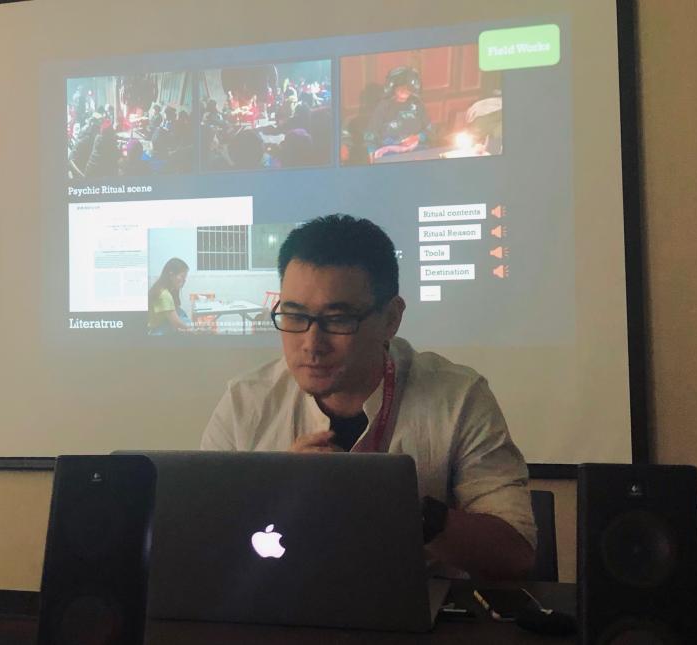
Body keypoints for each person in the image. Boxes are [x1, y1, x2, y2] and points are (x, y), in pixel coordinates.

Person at [201, 215, 535, 581]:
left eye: (338, 319)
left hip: (416, 605)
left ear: (391, 319)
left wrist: (386, 501)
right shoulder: (246, 402)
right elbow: (201, 544)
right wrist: (276, 491)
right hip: (280, 600)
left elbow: (516, 553)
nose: (312, 344)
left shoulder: (457, 398)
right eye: (295, 316)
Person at [148, 258, 192, 334]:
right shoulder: (164, 294)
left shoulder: (167, 289)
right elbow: (176, 323)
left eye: (185, 278)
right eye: (182, 276)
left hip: (162, 323)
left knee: (182, 314)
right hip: (156, 330)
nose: (184, 281)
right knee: (186, 322)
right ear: (171, 274)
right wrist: (194, 330)